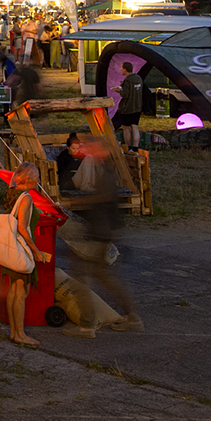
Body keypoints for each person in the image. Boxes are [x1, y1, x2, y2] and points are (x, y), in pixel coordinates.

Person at [67, 138, 141, 331]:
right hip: (102, 231)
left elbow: (106, 200)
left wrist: (80, 204)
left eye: (92, 147)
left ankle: (87, 326)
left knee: (82, 277)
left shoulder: (106, 172)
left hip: (100, 231)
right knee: (105, 276)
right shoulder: (104, 169)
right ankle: (132, 317)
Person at [1, 163, 50, 347]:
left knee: (14, 290)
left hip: (10, 246)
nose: (38, 181)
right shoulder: (26, 198)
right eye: (36, 177)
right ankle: (20, 334)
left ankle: (14, 332)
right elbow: (22, 227)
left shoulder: (11, 192)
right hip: (21, 248)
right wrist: (35, 251)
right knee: (21, 292)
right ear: (29, 179)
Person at [113, 63, 144, 150]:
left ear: (125, 69)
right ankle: (135, 148)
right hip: (137, 107)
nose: (121, 69)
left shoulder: (127, 81)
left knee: (126, 127)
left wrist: (119, 91)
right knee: (135, 126)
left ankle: (128, 147)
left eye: (122, 68)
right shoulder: (138, 78)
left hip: (128, 108)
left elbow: (125, 95)